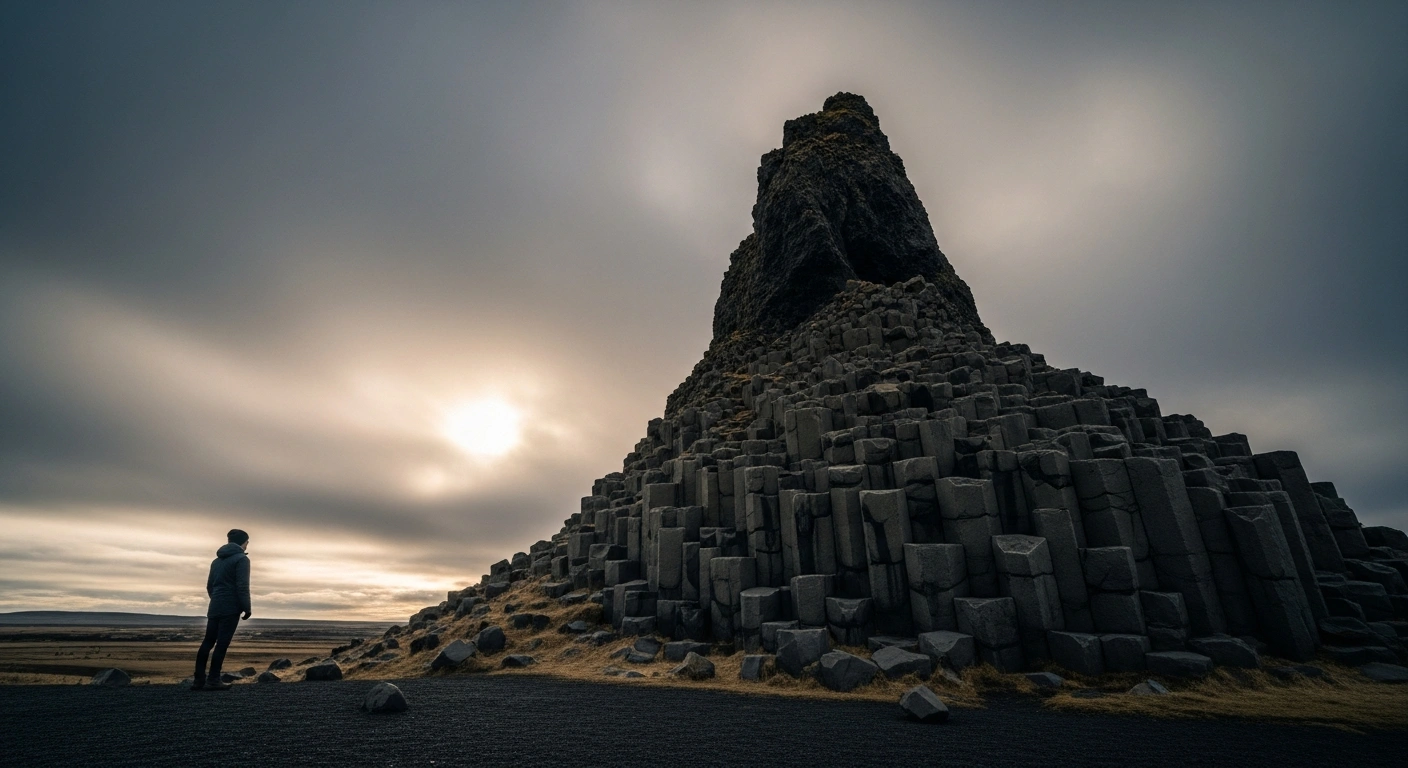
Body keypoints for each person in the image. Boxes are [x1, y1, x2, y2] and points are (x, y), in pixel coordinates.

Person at [192, 529, 252, 691]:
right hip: (230, 607)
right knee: (222, 644)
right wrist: (246, 607)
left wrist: (216, 600)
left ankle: (198, 680)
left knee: (208, 642)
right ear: (244, 542)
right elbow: (242, 586)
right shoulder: (241, 560)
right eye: (248, 542)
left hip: (215, 606)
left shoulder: (216, 561)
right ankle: (213, 680)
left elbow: (209, 586)